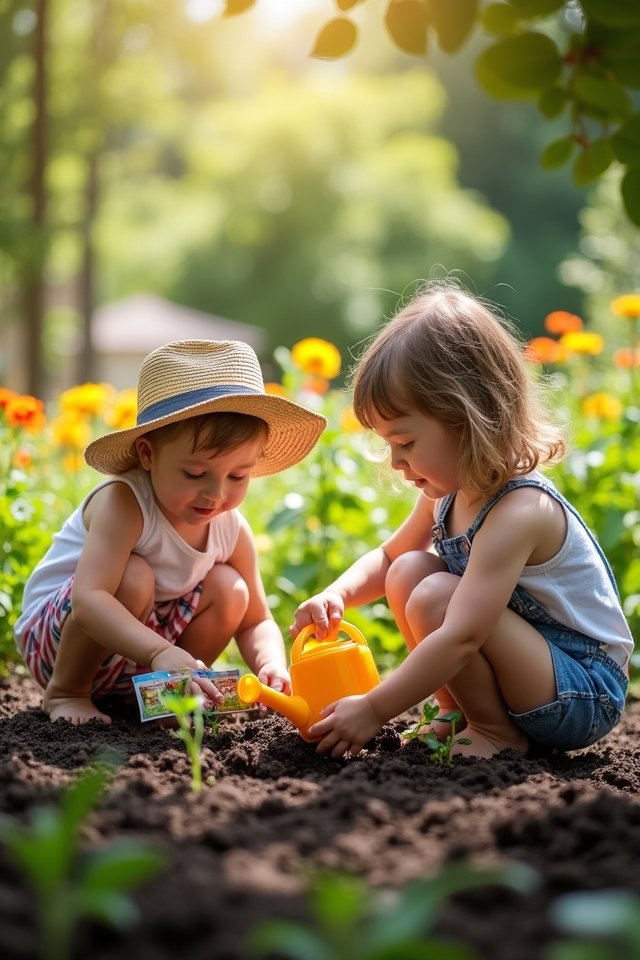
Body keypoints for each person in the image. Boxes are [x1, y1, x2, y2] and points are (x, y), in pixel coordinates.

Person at [292, 284, 633, 760]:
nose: (395, 461)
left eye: (406, 442)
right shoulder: (447, 492)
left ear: (468, 419)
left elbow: (463, 635)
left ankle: (496, 732)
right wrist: (338, 594)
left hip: (582, 690)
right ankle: (459, 714)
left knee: (435, 596)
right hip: (534, 673)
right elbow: (390, 555)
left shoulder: (519, 510)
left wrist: (373, 709)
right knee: (408, 570)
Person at [15, 339, 326, 725]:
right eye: (195, 474)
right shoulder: (125, 502)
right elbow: (90, 600)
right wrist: (159, 651)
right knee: (134, 577)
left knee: (232, 589)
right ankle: (66, 694)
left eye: (238, 476)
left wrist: (271, 664)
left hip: (142, 650)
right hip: (62, 643)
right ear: (147, 455)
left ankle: (167, 698)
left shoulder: (230, 529)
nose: (216, 493)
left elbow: (255, 620)